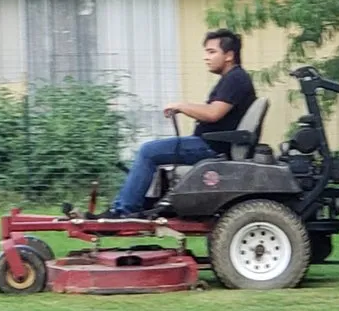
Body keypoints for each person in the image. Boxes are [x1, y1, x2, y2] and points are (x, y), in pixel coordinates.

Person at [92, 28, 257, 218]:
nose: (206, 57)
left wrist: (181, 106)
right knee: (152, 150)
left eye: (212, 52)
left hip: (212, 147)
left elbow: (213, 114)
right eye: (206, 52)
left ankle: (123, 211)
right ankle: (139, 204)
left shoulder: (235, 79)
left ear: (229, 55)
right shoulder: (233, 78)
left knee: (148, 151)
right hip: (211, 142)